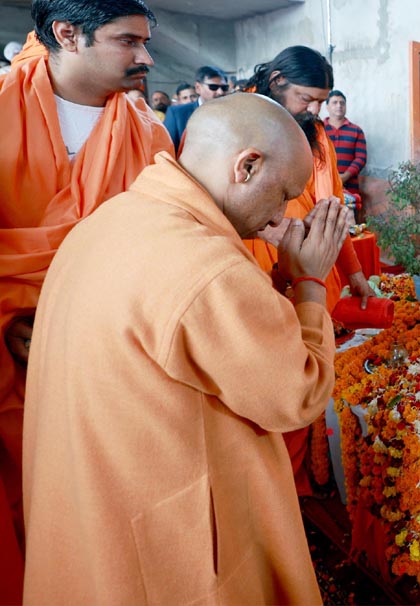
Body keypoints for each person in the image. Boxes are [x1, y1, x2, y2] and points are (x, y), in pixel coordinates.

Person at [22, 92, 348, 605]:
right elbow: (297, 394)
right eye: (284, 193)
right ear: (246, 166)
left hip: (87, 512)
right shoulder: (207, 264)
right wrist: (310, 282)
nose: (281, 214)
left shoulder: (113, 218)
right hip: (170, 548)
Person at [0, 0, 172, 601]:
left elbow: (163, 255)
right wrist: (14, 322)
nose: (146, 57)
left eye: (145, 41)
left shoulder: (149, 134)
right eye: (128, 41)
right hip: (11, 364)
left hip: (106, 368)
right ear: (68, 35)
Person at [243, 46, 375, 497]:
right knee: (276, 397)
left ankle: (308, 481)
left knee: (311, 384)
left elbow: (331, 206)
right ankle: (284, 493)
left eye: (321, 101)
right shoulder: (236, 122)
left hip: (313, 280)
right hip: (258, 283)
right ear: (276, 78)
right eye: (307, 98)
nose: (315, 109)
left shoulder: (316, 134)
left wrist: (354, 271)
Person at [163, 65, 228, 151]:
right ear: (198, 88)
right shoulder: (177, 114)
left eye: (224, 88)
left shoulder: (232, 112)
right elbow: (166, 151)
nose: (220, 92)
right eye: (213, 87)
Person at [324, 89, 367, 215]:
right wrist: (332, 179)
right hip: (324, 187)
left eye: (342, 103)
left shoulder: (356, 131)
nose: (339, 106)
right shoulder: (319, 129)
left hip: (350, 189)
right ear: (327, 106)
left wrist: (344, 177)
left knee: (349, 227)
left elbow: (361, 158)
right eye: (335, 102)